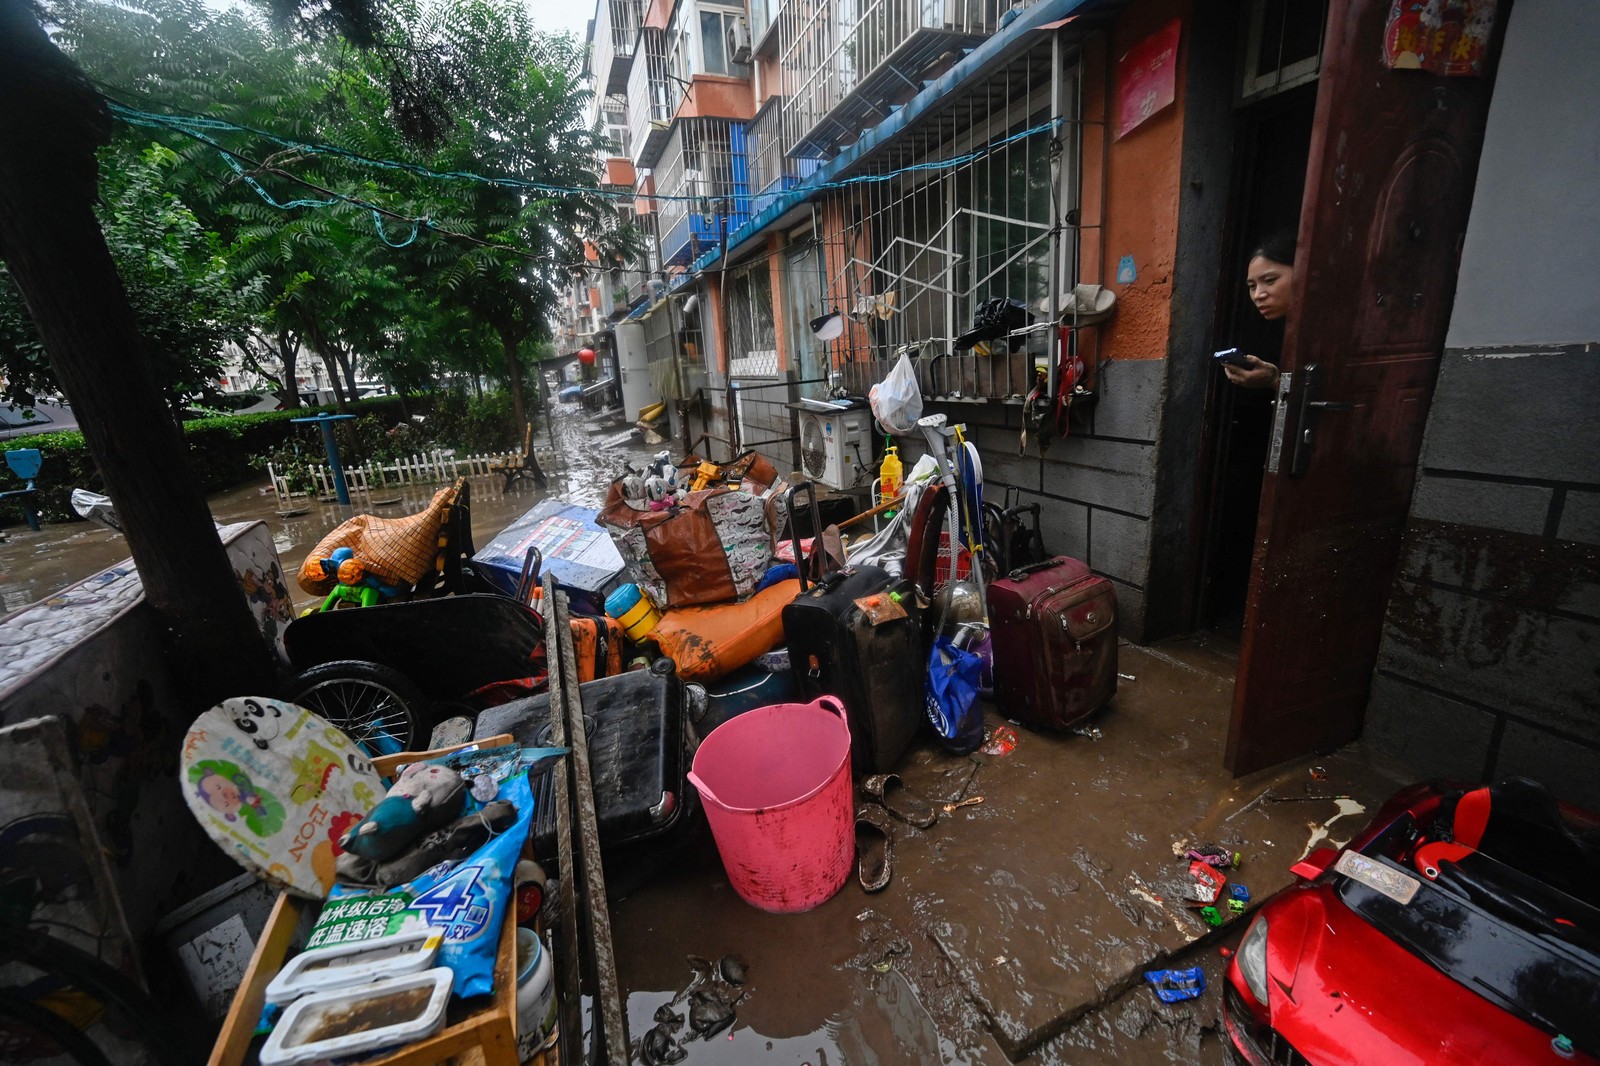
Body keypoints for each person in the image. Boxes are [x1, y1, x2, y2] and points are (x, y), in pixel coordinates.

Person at [1223, 231, 1296, 390]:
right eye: (1252, 286)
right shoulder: (1270, 330)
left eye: (1270, 281)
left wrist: (1273, 379)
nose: (1258, 295)